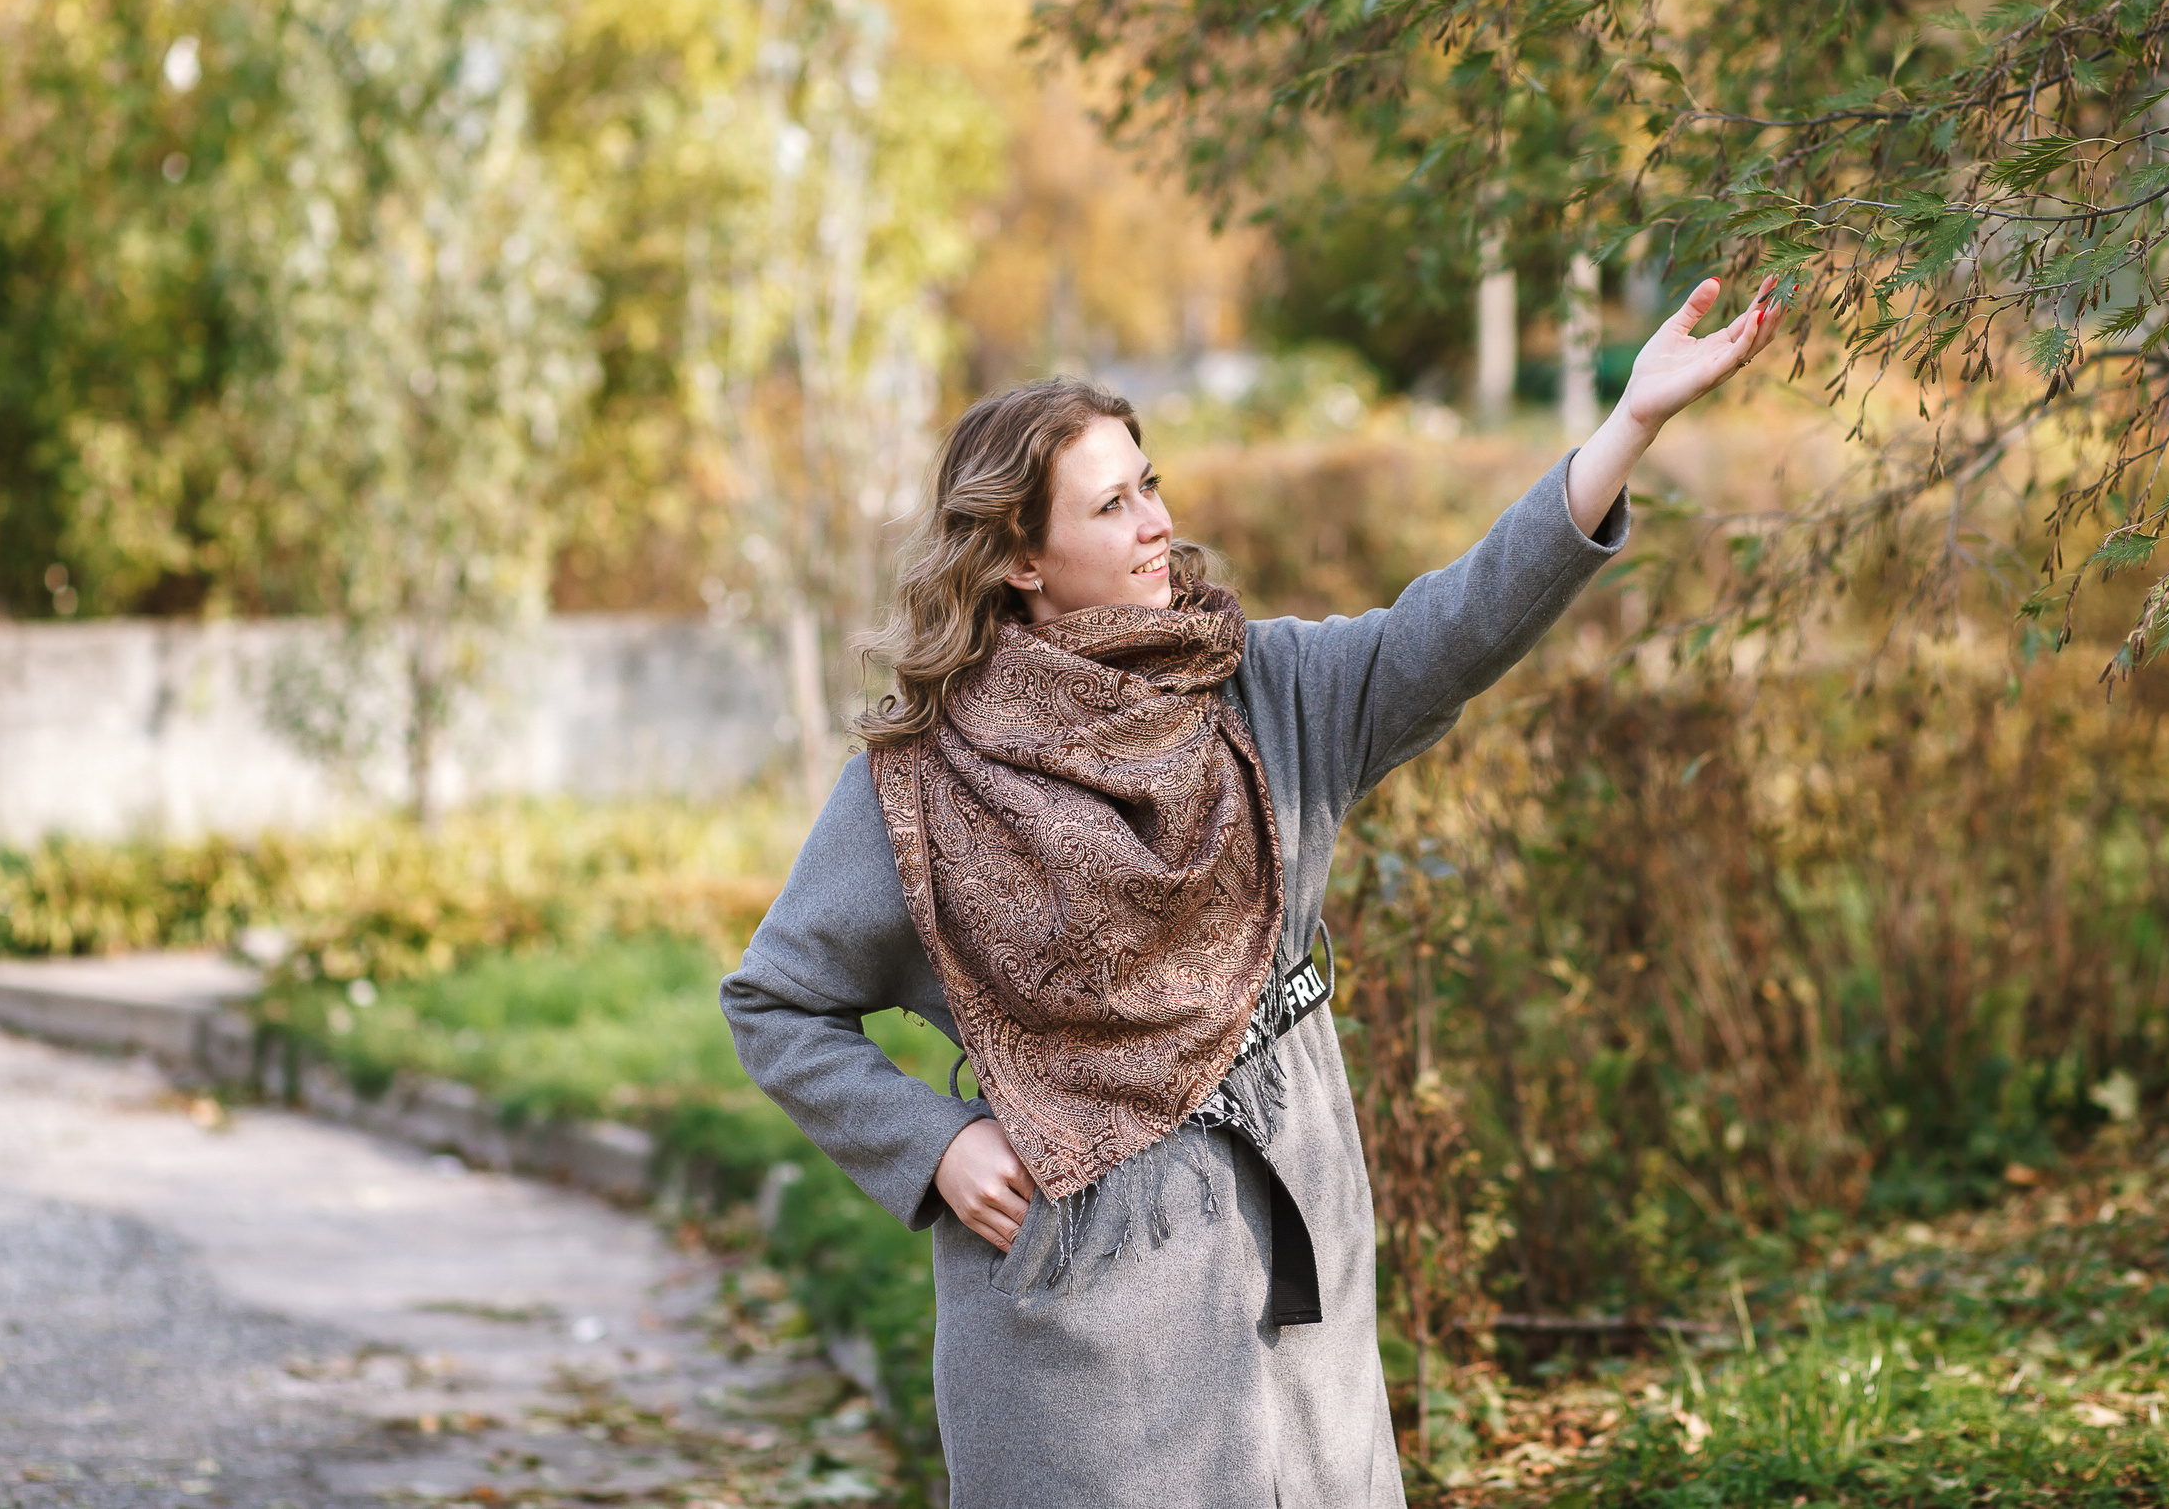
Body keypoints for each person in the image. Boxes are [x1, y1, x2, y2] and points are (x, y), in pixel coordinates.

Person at [721, 273, 1784, 1508]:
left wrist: (1626, 428)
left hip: (1290, 1303)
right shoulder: (919, 786)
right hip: (1076, 1343)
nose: (1154, 523)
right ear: (1018, 555)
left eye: (1150, 483)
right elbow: (775, 1003)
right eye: (1110, 505)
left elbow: (1455, 626)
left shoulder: (1261, 693)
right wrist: (934, 1142)